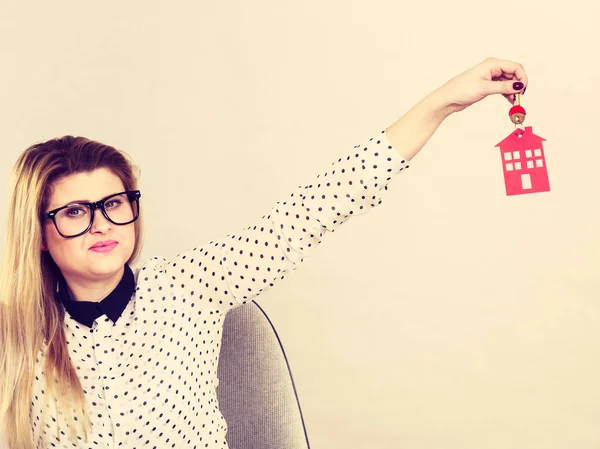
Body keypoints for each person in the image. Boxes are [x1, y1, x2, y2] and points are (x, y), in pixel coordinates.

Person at [0, 57, 528, 449]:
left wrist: (443, 102)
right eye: (74, 212)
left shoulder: (189, 285)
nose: (102, 224)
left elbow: (312, 211)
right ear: (39, 233)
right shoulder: (18, 332)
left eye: (114, 202)